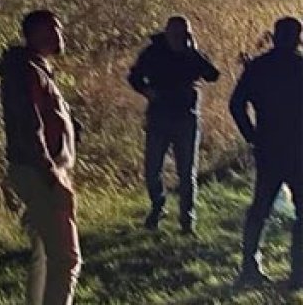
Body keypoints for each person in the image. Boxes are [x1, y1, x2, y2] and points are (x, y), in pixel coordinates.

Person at [0, 9, 82, 305]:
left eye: (58, 29)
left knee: (44, 257)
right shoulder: (27, 72)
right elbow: (29, 126)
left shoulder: (35, 69)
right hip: (41, 173)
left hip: (40, 170)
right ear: (33, 35)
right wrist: (52, 175)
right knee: (66, 260)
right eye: (50, 30)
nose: (58, 36)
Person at [126, 15, 221, 233]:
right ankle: (158, 206)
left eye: (183, 33)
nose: (179, 37)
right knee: (152, 169)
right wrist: (146, 91)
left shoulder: (192, 53)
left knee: (187, 171)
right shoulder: (153, 52)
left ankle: (187, 218)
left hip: (186, 116)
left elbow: (213, 75)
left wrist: (193, 52)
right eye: (175, 32)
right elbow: (134, 77)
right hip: (159, 114)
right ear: (167, 31)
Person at [229, 16, 303, 290]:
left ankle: (250, 267)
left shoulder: (259, 67)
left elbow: (236, 104)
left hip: (268, 147)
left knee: (260, 209)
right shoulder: (301, 66)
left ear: (274, 35)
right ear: (298, 37)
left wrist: (252, 136)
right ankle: (298, 272)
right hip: (298, 148)